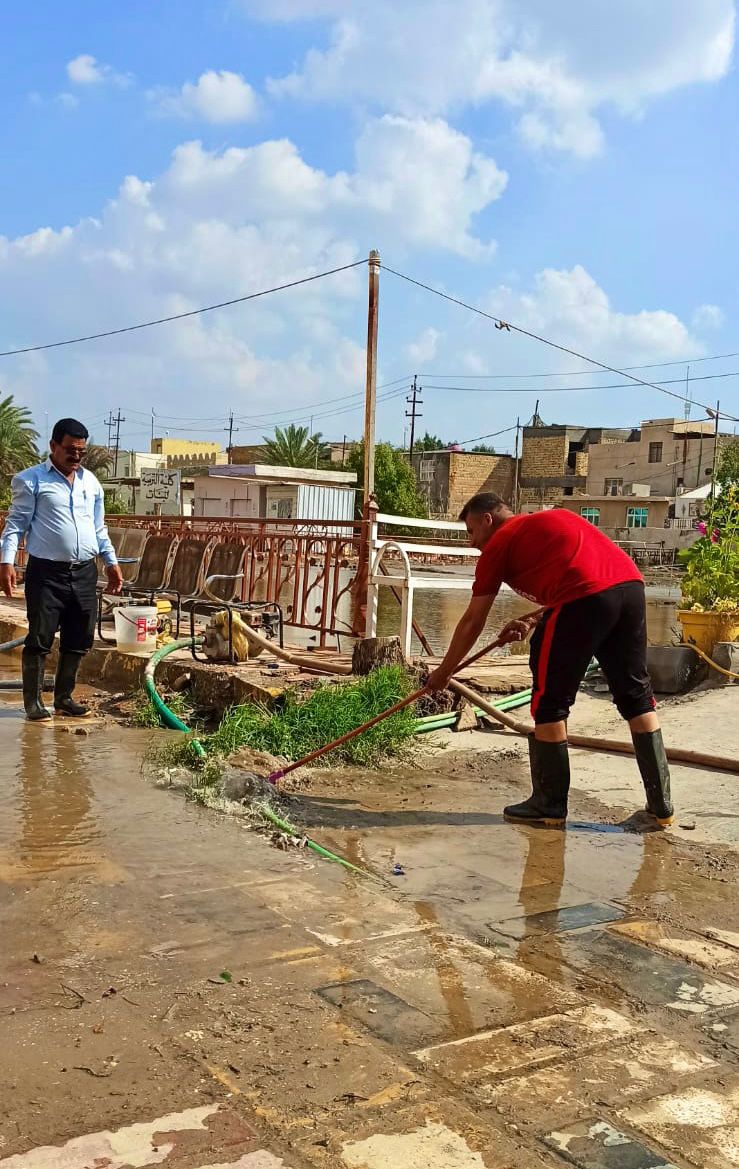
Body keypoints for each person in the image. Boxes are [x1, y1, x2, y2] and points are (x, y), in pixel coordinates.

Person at [427, 492, 673, 829]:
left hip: (584, 597)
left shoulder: (500, 542)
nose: (472, 543)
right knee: (636, 696)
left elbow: (473, 620)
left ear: (487, 520)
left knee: (549, 702)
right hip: (629, 587)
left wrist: (444, 672)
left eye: (471, 532)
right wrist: (533, 619)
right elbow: (581, 573)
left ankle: (549, 805)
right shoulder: (547, 521)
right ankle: (661, 808)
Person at [0, 418, 123, 720]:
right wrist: (6, 562)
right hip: (46, 573)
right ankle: (33, 703)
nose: (76, 456)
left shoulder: (91, 483)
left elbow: (99, 528)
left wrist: (111, 562)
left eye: (81, 451)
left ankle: (64, 698)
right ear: (54, 446)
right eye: (70, 449)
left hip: (84, 572)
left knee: (79, 636)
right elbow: (16, 525)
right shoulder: (31, 480)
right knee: (40, 638)